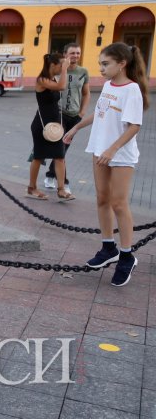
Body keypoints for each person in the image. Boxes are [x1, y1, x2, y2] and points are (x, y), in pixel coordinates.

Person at [63, 43, 149, 286]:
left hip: (120, 155)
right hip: (99, 149)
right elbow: (101, 111)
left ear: (121, 63)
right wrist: (78, 127)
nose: (100, 68)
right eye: (100, 64)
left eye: (105, 64)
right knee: (102, 199)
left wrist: (113, 149)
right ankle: (108, 247)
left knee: (119, 203)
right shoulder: (109, 85)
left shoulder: (132, 90)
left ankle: (126, 255)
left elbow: (134, 126)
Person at [43, 42, 90, 194]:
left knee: (63, 148)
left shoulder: (83, 71)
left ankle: (51, 175)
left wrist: (82, 113)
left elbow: (86, 93)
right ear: (65, 54)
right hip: (59, 115)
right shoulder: (57, 70)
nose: (75, 56)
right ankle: (64, 182)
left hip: (74, 116)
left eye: (78, 53)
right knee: (60, 149)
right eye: (72, 53)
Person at [26, 52, 72, 201]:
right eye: (61, 65)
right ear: (53, 65)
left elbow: (59, 88)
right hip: (41, 125)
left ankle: (61, 189)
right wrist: (65, 70)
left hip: (55, 125)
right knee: (39, 157)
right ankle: (32, 188)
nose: (63, 68)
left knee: (60, 156)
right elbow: (62, 86)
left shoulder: (52, 78)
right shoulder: (42, 80)